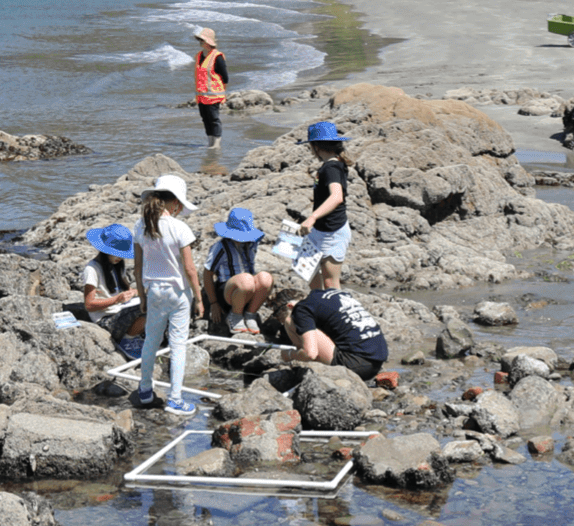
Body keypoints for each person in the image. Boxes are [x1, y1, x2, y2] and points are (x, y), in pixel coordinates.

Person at [129, 174, 202, 416]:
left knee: (151, 340)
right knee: (178, 344)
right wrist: (199, 299)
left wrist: (142, 297)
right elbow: (190, 269)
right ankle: (175, 399)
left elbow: (137, 267)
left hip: (154, 291)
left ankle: (145, 390)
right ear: (176, 204)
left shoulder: (141, 226)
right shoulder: (180, 227)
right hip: (178, 293)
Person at [274, 279, 388, 381]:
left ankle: (302, 364)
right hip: (378, 361)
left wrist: (289, 354)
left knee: (290, 322)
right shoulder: (330, 295)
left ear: (290, 306)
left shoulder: (301, 309)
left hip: (355, 366)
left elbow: (311, 353)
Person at [288, 119, 353, 279]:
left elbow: (337, 197)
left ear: (316, 147)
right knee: (305, 272)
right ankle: (316, 302)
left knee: (331, 283)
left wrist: (312, 217)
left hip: (333, 233)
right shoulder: (333, 164)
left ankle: (327, 302)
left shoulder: (331, 168)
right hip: (319, 230)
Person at [204, 206, 271, 336]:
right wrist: (213, 303)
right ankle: (235, 315)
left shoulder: (251, 244)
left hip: (248, 289)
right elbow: (207, 273)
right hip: (229, 291)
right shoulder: (221, 247)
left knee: (266, 278)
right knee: (246, 280)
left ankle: (250, 314)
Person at [79, 222, 142, 351]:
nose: (120, 257)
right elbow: (89, 305)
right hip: (105, 320)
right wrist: (116, 299)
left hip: (119, 310)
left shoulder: (118, 266)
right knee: (146, 308)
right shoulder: (92, 269)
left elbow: (126, 290)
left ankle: (135, 335)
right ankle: (127, 340)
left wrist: (135, 292)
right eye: (116, 253)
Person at [189, 26, 230, 145]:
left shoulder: (217, 57)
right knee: (205, 120)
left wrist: (220, 91)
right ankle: (210, 143)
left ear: (208, 41)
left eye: (202, 40)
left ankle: (216, 144)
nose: (200, 42)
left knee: (214, 120)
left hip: (213, 96)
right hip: (201, 96)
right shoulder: (198, 56)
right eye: (199, 40)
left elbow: (225, 77)